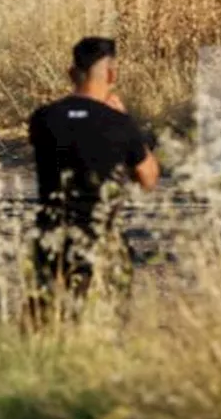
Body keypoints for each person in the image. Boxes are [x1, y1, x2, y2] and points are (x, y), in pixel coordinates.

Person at [26, 37, 160, 326]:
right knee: (106, 321)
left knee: (46, 319)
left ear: (71, 73)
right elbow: (148, 178)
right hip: (102, 237)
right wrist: (127, 123)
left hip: (51, 233)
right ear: (112, 74)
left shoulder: (44, 119)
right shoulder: (120, 125)